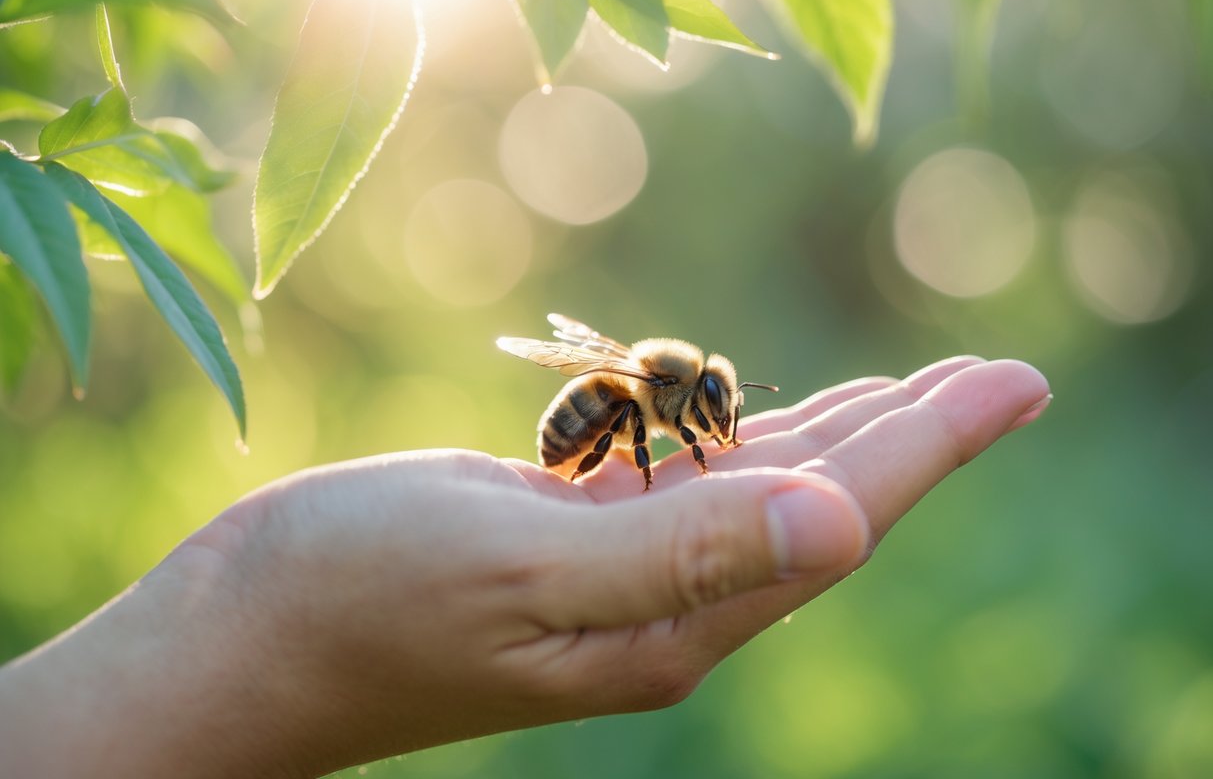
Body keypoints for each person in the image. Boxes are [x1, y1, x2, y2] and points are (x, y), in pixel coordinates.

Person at [0, 356, 1049, 777]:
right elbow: (647, 421)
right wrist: (264, 622)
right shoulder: (650, 399)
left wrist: (245, 611)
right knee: (620, 424)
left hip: (589, 421)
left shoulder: (672, 393)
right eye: (711, 413)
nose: (714, 425)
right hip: (589, 426)